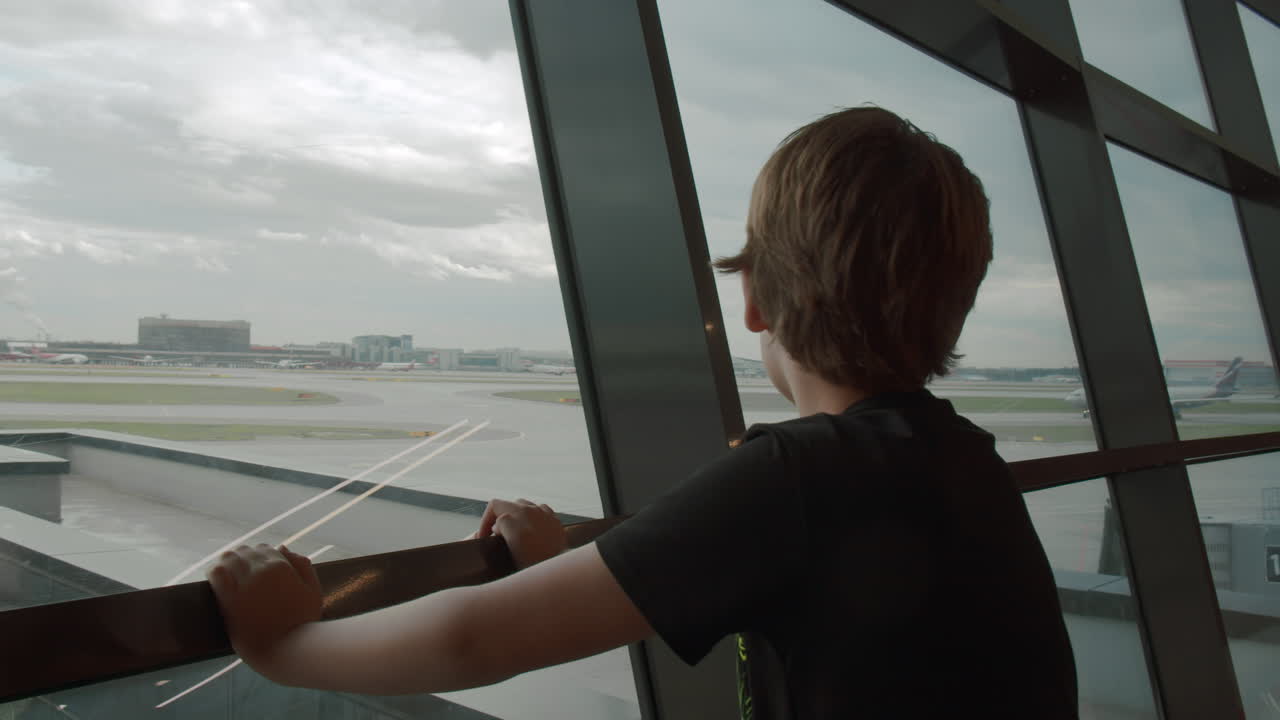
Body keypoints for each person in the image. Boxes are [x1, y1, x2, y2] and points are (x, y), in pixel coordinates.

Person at [208, 106, 1078, 717]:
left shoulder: (804, 475)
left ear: (759, 305)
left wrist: (280, 646)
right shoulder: (958, 459)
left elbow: (474, 642)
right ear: (954, 308)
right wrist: (551, 571)